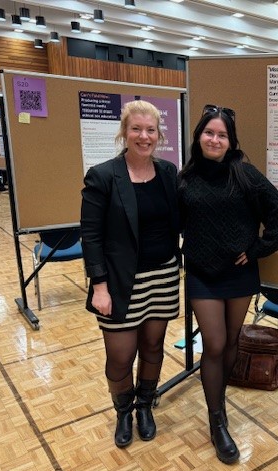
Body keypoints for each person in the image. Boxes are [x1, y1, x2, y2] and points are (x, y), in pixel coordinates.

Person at [177, 104, 278, 464]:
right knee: (214, 342)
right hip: (201, 273)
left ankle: (217, 399)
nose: (215, 139)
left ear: (230, 140)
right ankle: (217, 420)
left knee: (230, 343)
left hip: (239, 274)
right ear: (198, 137)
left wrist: (259, 248)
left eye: (221, 134)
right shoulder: (185, 178)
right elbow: (175, 221)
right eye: (209, 133)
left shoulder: (243, 172)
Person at [81, 100, 181, 448]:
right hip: (121, 283)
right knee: (120, 356)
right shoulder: (104, 175)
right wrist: (99, 286)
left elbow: (181, 219)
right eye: (136, 129)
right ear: (125, 132)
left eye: (150, 130)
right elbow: (91, 235)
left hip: (163, 277)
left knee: (153, 346)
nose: (144, 136)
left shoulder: (168, 173)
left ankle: (144, 406)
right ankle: (122, 411)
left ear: (159, 134)